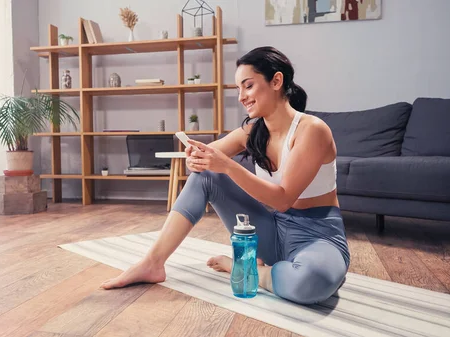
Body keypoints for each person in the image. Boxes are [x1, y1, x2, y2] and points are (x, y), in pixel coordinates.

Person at [100, 46, 350, 305]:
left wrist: (228, 166)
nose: (241, 97)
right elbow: (207, 162)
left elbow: (283, 199)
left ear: (276, 81)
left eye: (248, 86)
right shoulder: (254, 131)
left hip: (317, 236)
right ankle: (152, 263)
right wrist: (197, 159)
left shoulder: (312, 130)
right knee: (208, 174)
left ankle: (244, 268)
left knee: (310, 283)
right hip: (272, 231)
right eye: (238, 90)